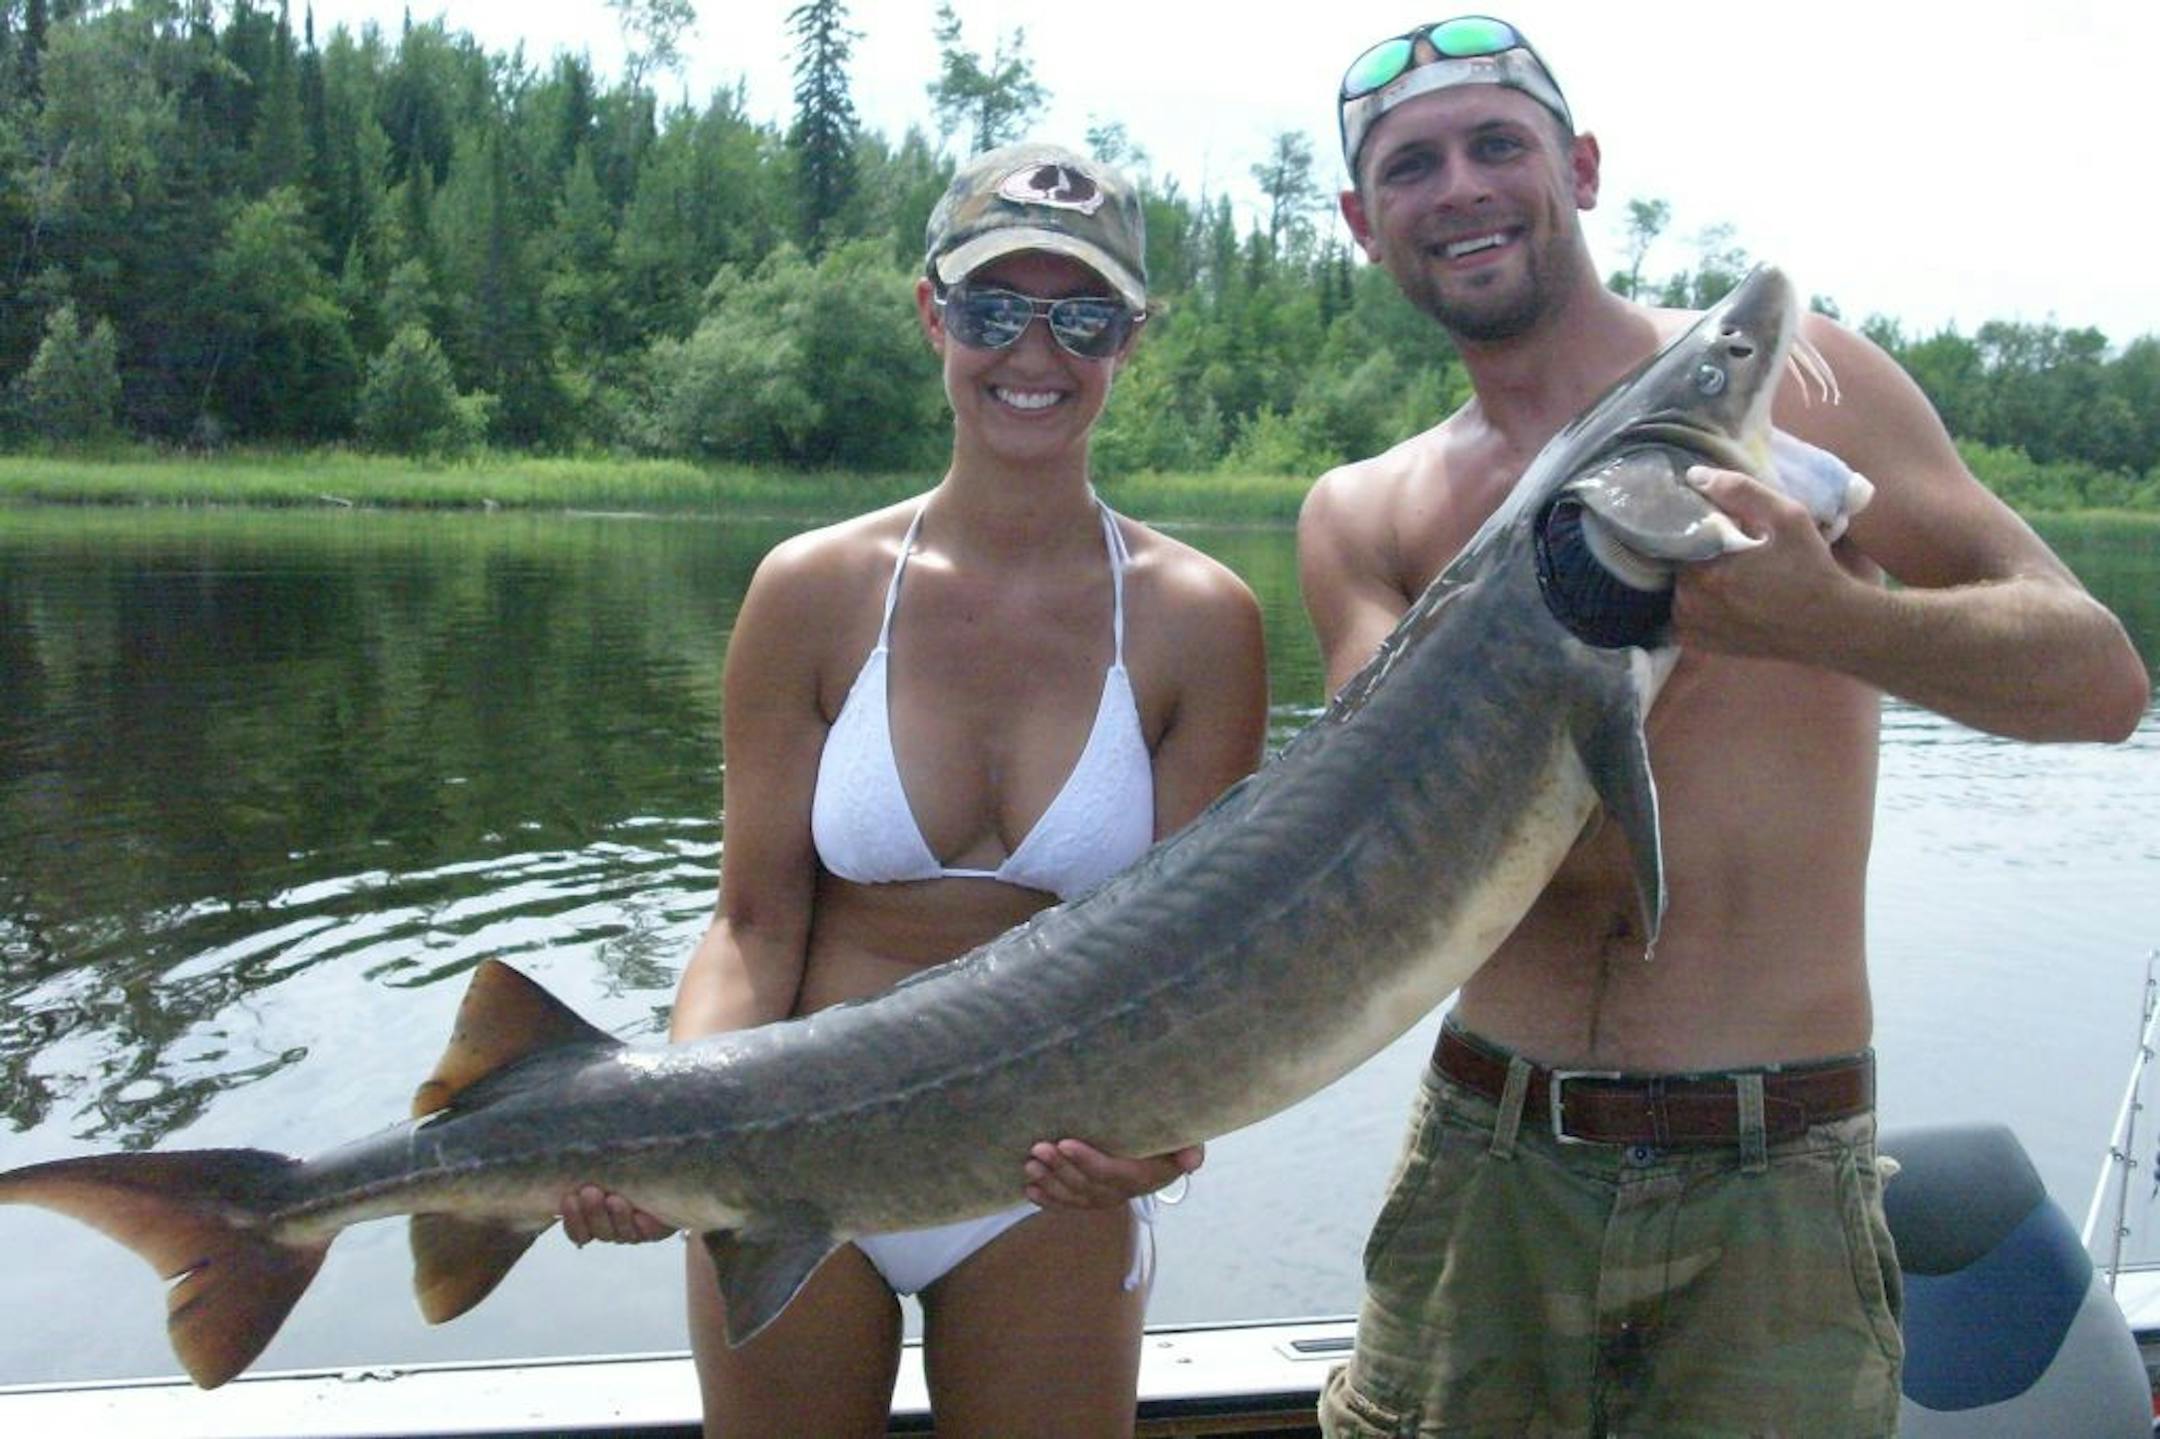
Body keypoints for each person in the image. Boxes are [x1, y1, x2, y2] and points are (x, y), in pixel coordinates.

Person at [1300, 16, 2151, 1437]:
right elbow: (1388, 868)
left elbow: (2099, 682)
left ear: (1576, 167)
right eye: (1411, 165)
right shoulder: (1366, 513)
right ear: (1360, 220)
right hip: (1486, 1164)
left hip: (1778, 1177)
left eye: (1496, 144)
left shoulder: (1802, 381)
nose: (1459, 187)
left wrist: (1821, 616)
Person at [558, 141, 1268, 1437]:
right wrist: (678, 1118)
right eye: (996, 308)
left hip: (1047, 1177)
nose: (1034, 355)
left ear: (1131, 338)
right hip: (780, 1148)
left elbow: (1206, 970)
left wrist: (1164, 1138)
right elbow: (753, 926)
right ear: (935, 312)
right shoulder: (813, 592)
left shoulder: (1198, 624)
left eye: (1083, 317)